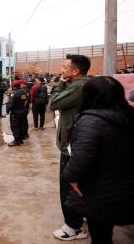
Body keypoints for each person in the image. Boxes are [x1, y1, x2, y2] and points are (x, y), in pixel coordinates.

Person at [62, 76, 134, 243]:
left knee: (101, 235)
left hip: (101, 191)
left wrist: (70, 176)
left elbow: (81, 159)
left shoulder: (90, 121)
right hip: (125, 187)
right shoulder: (128, 116)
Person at [50, 54, 91, 241]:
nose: (62, 69)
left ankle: (73, 227)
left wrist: (59, 82)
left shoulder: (78, 86)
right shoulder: (80, 85)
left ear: (76, 71)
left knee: (67, 187)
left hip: (70, 147)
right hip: (76, 144)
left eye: (65, 67)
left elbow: (55, 103)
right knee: (78, 186)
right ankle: (80, 217)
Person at [6, 80, 29, 147]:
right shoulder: (24, 92)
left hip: (15, 113)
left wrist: (7, 111)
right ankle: (20, 139)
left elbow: (10, 103)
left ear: (13, 86)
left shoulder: (13, 93)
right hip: (22, 112)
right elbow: (26, 101)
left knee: (15, 126)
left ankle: (17, 141)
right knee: (21, 125)